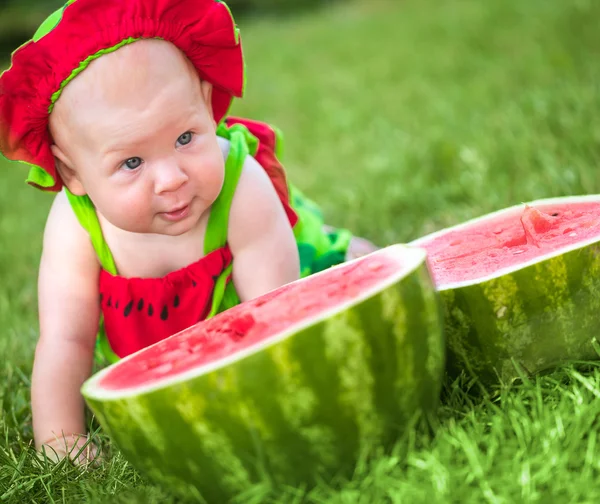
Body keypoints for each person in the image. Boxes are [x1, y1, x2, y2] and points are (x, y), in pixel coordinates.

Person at [0, 0, 377, 464]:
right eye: (131, 163)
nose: (173, 178)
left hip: (277, 277)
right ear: (72, 173)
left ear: (205, 101)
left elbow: (277, 312)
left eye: (185, 138)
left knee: (338, 264)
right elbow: (65, 339)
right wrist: (60, 440)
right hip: (165, 336)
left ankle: (360, 250)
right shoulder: (74, 225)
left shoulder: (241, 186)